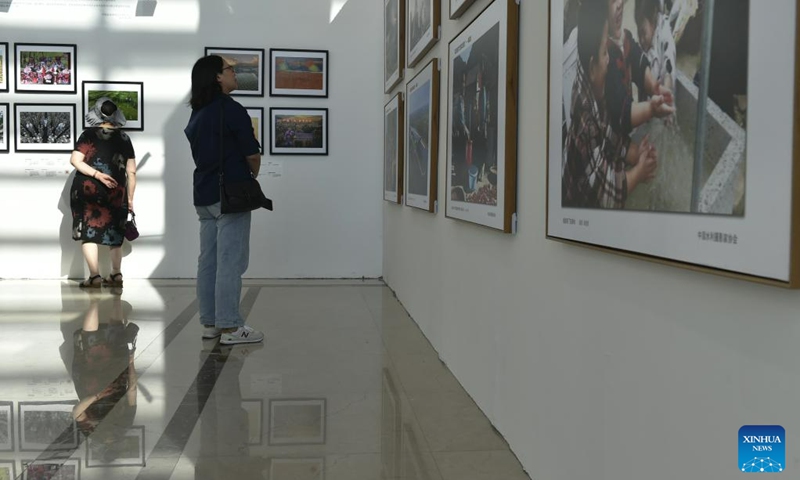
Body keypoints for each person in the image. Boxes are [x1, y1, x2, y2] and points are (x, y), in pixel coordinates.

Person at [184, 55, 264, 345]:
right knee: (231, 262)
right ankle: (230, 326)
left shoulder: (198, 112)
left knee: (209, 261)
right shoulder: (231, 110)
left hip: (204, 194)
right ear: (217, 77)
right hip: (230, 194)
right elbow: (251, 155)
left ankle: (210, 323)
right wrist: (252, 172)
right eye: (231, 70)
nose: (235, 74)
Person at [563, 0, 658, 209]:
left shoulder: (592, 82)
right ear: (592, 67)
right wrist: (639, 172)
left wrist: (632, 152)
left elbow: (607, 133)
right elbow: (604, 193)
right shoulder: (584, 117)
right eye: (604, 53)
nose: (608, 59)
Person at [69, 98, 137, 288]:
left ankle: (94, 276)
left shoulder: (88, 135)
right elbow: (131, 171)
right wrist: (130, 199)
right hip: (116, 190)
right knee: (115, 230)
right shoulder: (124, 138)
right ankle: (116, 275)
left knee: (88, 232)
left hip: (88, 190)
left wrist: (97, 174)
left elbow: (75, 160)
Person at [635, 0, 677, 93]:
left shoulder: (665, 39)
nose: (641, 40)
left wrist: (665, 94)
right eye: (639, 33)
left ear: (653, 18)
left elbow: (668, 71)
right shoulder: (646, 44)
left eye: (643, 32)